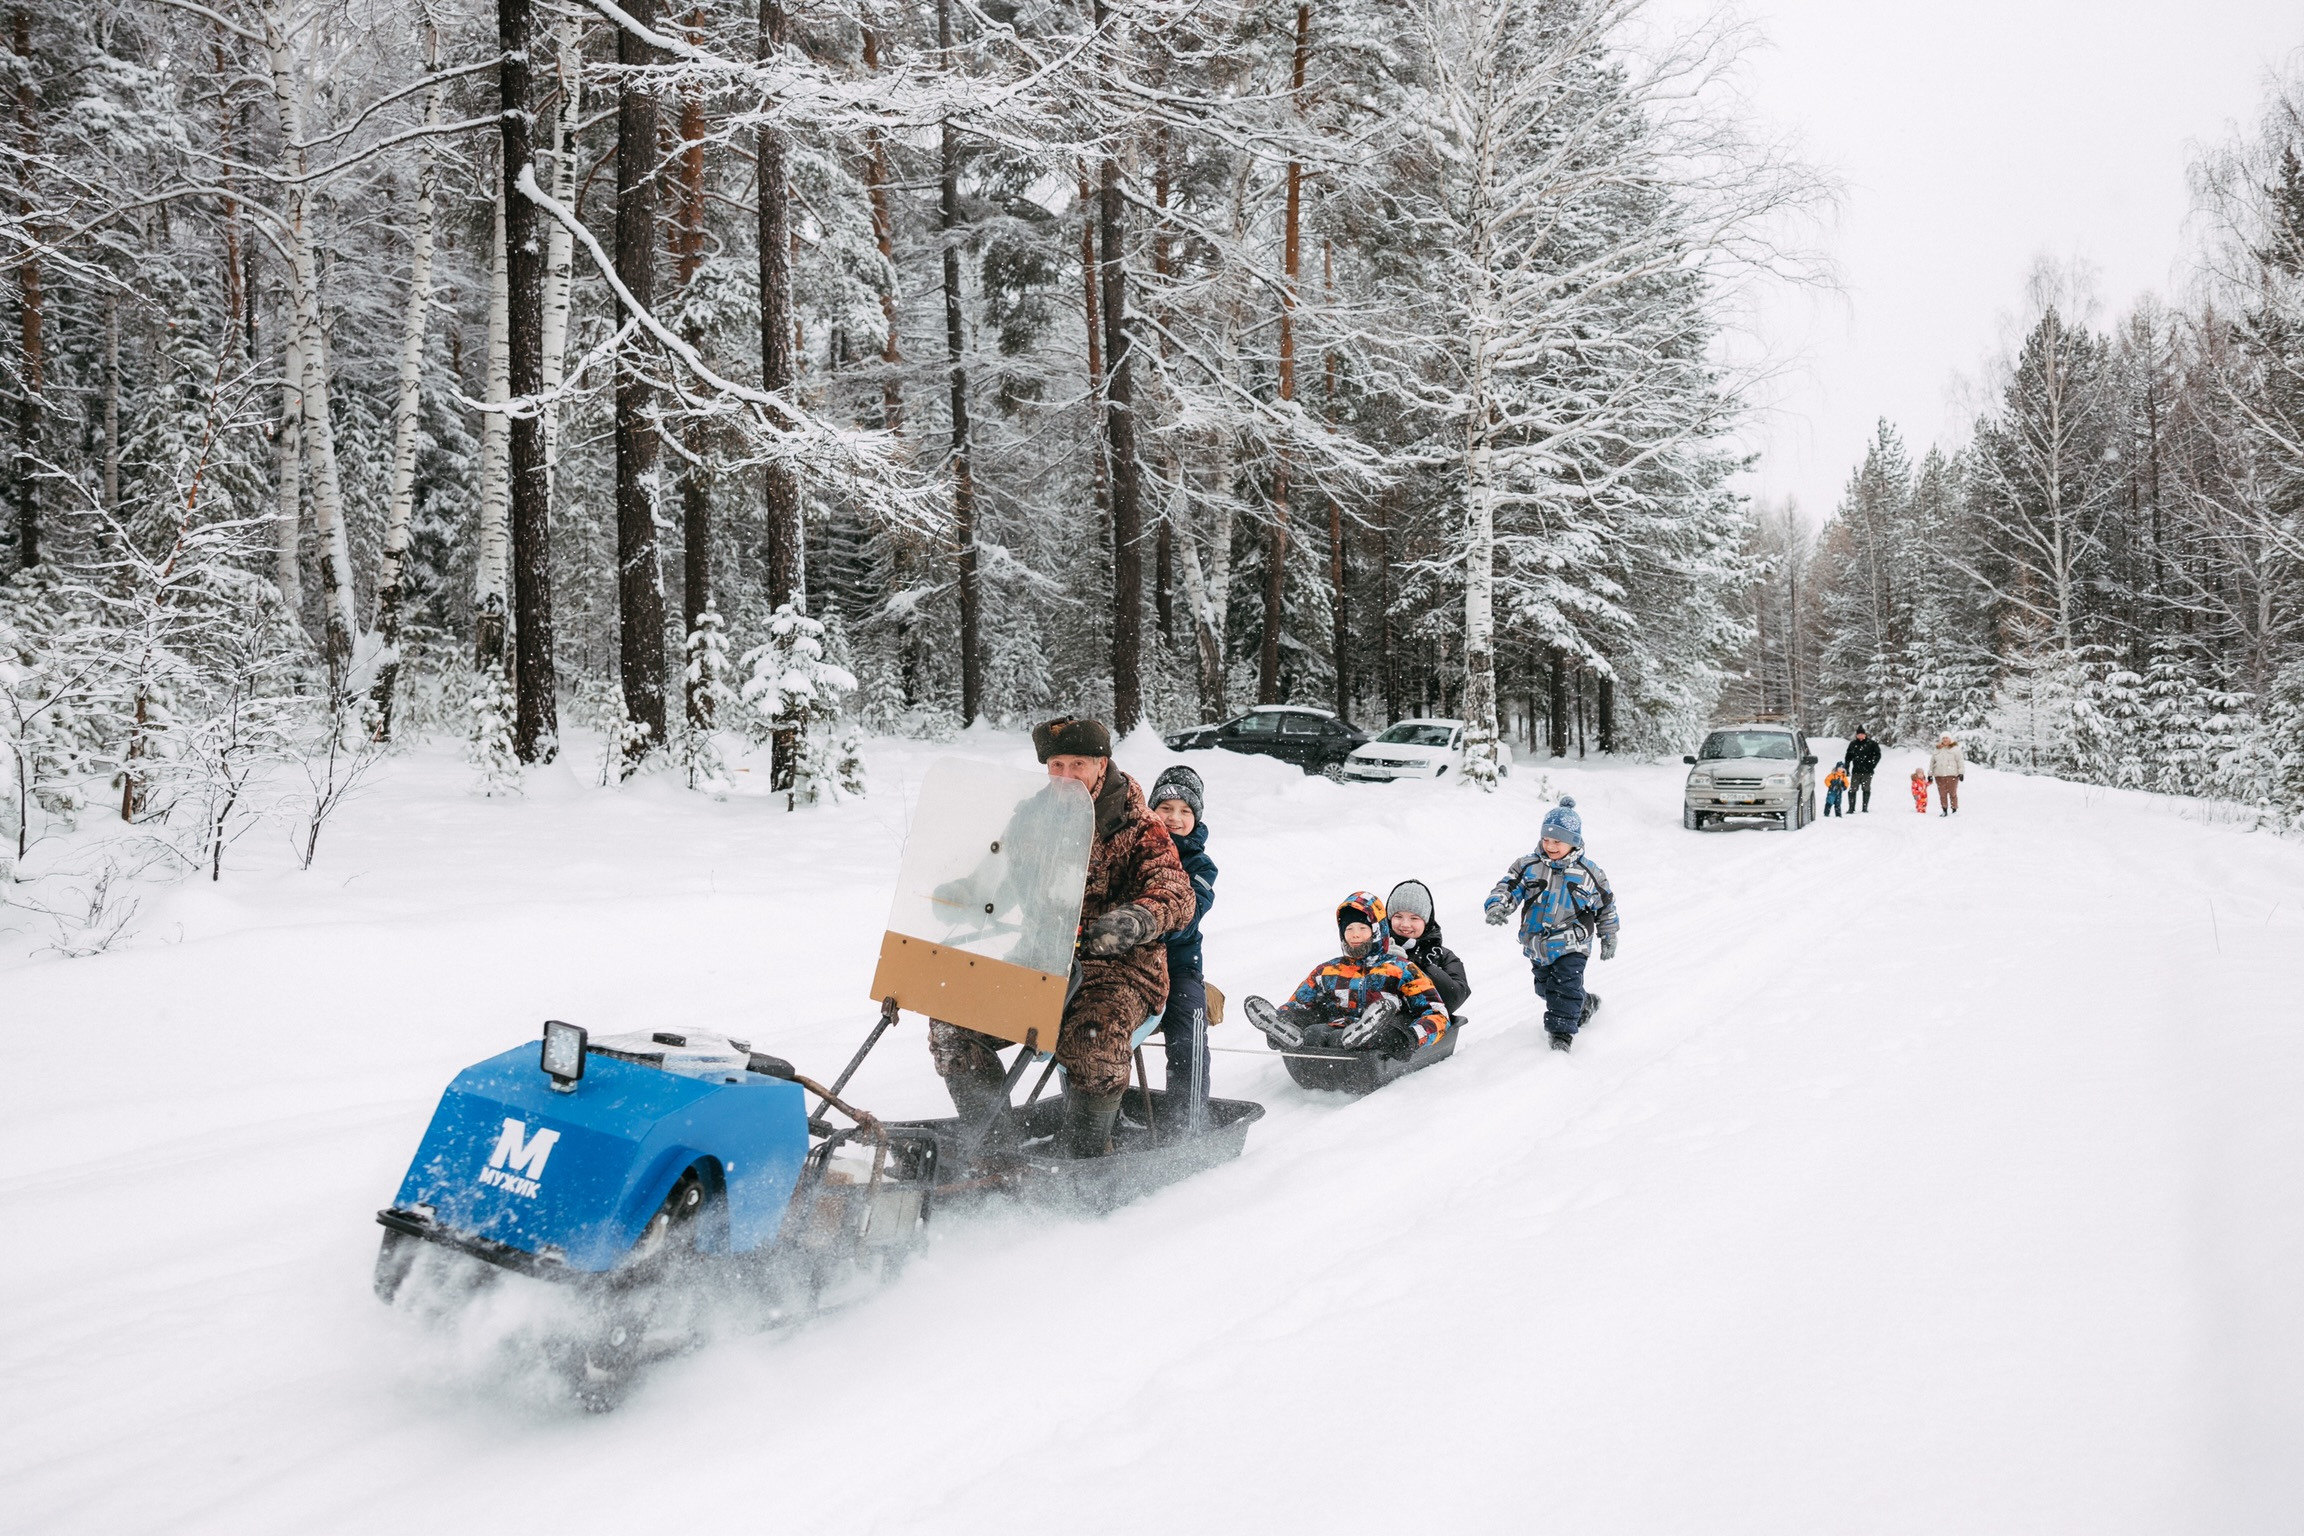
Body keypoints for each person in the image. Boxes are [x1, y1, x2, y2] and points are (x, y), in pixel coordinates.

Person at [929, 717, 1195, 1157]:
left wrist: (1132, 921)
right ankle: (997, 1151)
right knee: (953, 1023)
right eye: (1056, 765)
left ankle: (1082, 1159)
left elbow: (1174, 892)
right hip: (1040, 959)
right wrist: (966, 895)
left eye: (1077, 764)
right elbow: (998, 879)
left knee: (1092, 1036)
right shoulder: (1031, 817)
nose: (1066, 776)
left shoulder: (1138, 824)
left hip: (1119, 969)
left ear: (1101, 764)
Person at [1241, 892, 1450, 1060]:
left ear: (1377, 931)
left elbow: (1438, 1014)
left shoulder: (1400, 969)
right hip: (1336, 1034)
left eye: (1362, 928)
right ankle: (1284, 1028)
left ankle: (1367, 1032)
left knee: (1379, 1033)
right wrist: (1288, 1015)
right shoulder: (1327, 971)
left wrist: (1409, 1038)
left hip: (1380, 1041)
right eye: (1349, 929)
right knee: (1315, 1034)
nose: (1355, 935)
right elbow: (1298, 1002)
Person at [1484, 797, 1618, 1052]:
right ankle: (1585, 1003)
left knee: (1565, 987)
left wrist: (1609, 935)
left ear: (1574, 842)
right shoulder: (1528, 866)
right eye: (1546, 839)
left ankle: (1561, 1036)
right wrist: (1498, 905)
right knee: (1546, 989)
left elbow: (1606, 904)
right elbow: (1508, 886)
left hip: (1573, 942)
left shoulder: (1589, 873)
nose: (1550, 846)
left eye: (1558, 841)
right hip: (1538, 942)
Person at [1147, 764, 1216, 1131]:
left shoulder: (1200, 865)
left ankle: (1188, 1124)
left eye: (1185, 811)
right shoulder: (1130, 852)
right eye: (1166, 808)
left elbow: (1188, 916)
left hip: (1178, 967)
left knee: (1189, 1030)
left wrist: (1143, 927)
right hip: (1128, 964)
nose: (1174, 818)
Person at [1385, 879, 1470, 1018]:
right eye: (1398, 916)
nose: (1405, 924)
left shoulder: (1443, 957)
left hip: (1421, 1026)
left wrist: (1415, 966)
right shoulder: (1374, 949)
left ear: (1426, 921)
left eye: (1414, 918)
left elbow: (1454, 998)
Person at [1843, 728, 1882, 812]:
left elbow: (1878, 755)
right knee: (1853, 789)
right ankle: (1851, 808)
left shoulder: (1871, 744)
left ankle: (1865, 807)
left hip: (1868, 771)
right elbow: (1848, 757)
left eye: (1862, 734)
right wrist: (1847, 768)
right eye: (1858, 734)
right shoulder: (1853, 744)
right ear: (1856, 735)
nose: (1860, 736)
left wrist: (1872, 764)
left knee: (1866, 789)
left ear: (1865, 735)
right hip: (1856, 771)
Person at [1930, 734, 1966, 815]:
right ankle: (1944, 810)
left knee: (1952, 793)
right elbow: (1932, 762)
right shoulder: (1937, 750)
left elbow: (1960, 761)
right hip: (1939, 775)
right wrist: (1930, 774)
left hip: (1952, 775)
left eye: (1946, 738)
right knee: (1942, 794)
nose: (1945, 739)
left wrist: (1961, 773)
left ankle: (1954, 809)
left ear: (1950, 739)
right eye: (1943, 738)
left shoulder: (1955, 749)